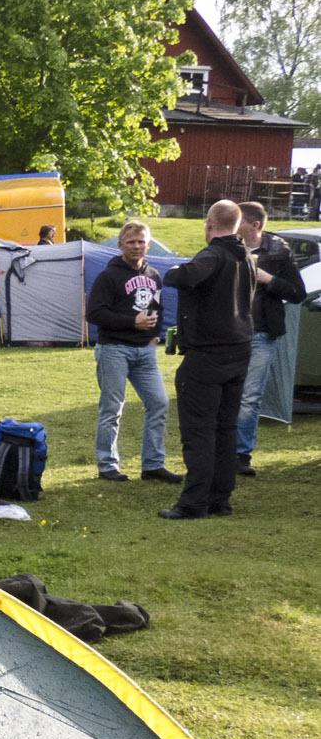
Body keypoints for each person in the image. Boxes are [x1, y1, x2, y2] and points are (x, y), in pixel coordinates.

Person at [158, 200, 257, 520]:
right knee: (225, 429)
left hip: (208, 355)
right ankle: (220, 500)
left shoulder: (213, 254)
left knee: (199, 430)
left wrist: (172, 271)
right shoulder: (247, 258)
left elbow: (185, 277)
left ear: (209, 224)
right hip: (240, 349)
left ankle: (193, 503)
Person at [85, 220, 180, 484]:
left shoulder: (153, 275)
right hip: (114, 349)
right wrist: (132, 322)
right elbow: (94, 314)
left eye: (141, 242)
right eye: (131, 242)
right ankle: (107, 466)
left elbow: (157, 308)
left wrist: (154, 335)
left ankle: (153, 464)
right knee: (112, 408)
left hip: (144, 352)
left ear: (148, 244)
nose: (137, 247)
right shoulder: (108, 276)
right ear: (121, 245)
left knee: (159, 402)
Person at [234, 201, 308, 477]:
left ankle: (241, 455)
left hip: (262, 333)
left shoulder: (278, 252)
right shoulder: (228, 247)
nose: (233, 225)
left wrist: (268, 279)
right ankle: (220, 450)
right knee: (229, 393)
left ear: (254, 225)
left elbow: (298, 293)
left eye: (238, 220)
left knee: (250, 397)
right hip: (230, 333)